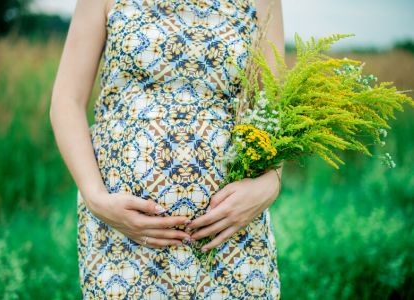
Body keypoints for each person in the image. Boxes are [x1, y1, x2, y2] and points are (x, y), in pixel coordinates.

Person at [50, 0, 285, 298]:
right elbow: (66, 101)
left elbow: (276, 109)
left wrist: (270, 184)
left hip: (230, 234)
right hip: (124, 234)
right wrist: (96, 198)